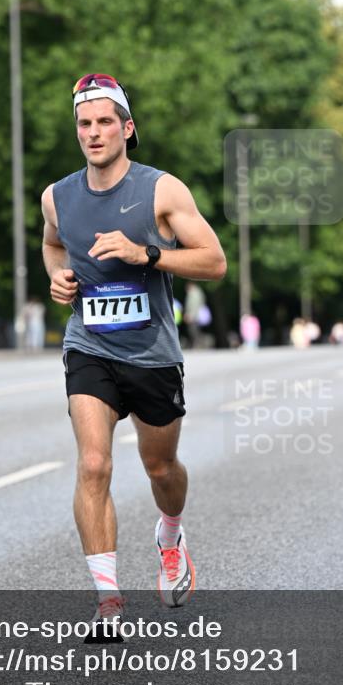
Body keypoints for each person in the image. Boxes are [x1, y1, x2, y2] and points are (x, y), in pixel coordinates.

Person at [41, 73, 226, 629]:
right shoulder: (57, 197)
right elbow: (53, 245)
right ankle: (108, 601)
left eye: (103, 123)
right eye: (83, 124)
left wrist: (146, 253)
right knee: (94, 463)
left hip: (151, 352)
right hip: (89, 344)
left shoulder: (161, 190)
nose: (93, 133)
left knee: (159, 465)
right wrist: (58, 278)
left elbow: (214, 262)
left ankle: (170, 535)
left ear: (127, 128)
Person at [184, 282, 206, 349]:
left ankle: (197, 344)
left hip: (194, 316)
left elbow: (193, 306)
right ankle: (198, 344)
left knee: (193, 331)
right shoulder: (198, 292)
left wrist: (190, 315)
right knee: (196, 330)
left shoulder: (193, 294)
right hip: (196, 315)